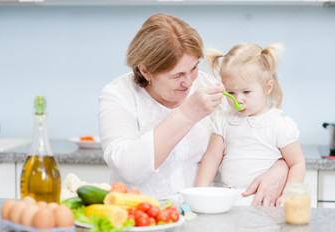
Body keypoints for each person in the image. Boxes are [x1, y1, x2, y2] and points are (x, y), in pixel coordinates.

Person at [98, 13, 289, 206]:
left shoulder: (209, 86)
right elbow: (128, 168)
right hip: (145, 216)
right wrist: (187, 114)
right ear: (145, 70)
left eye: (194, 68)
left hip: (207, 214)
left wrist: (281, 168)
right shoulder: (118, 95)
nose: (189, 82)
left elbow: (259, 135)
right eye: (177, 75)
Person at [195, 43, 306, 206]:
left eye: (246, 92)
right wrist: (198, 193)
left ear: (268, 87)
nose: (238, 99)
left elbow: (297, 163)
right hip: (230, 201)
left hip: (266, 202)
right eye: (231, 92)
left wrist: (289, 195)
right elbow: (212, 157)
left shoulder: (279, 125)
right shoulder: (223, 120)